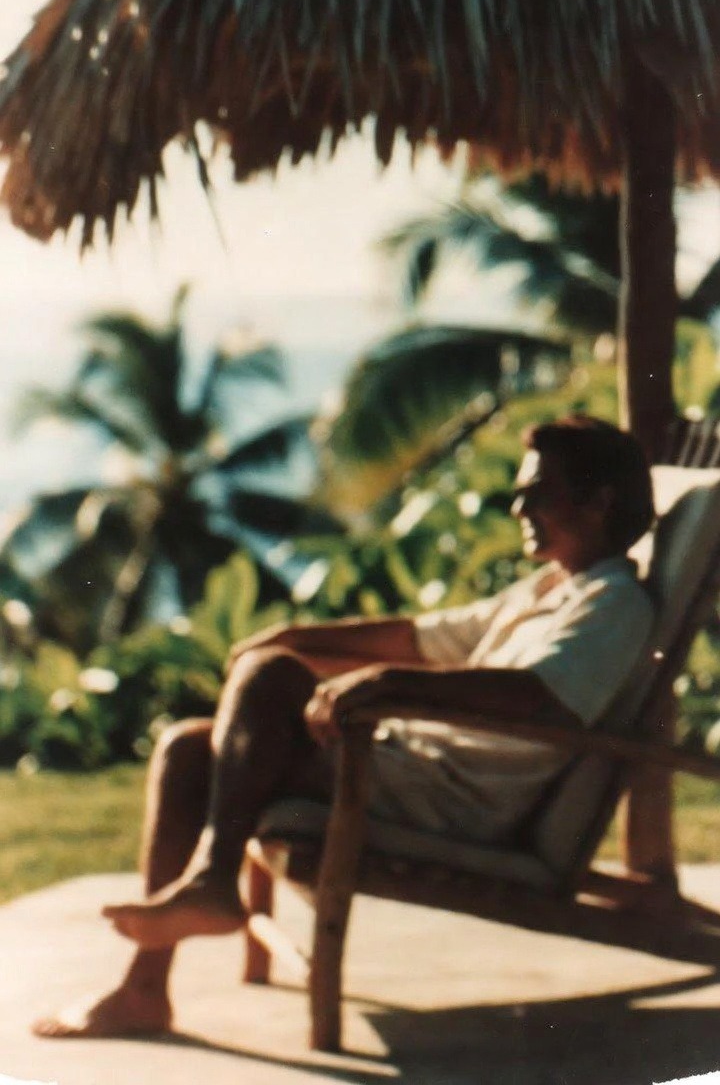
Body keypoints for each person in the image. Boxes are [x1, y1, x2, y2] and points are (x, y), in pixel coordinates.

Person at [34, 415, 655, 1039]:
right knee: (187, 748)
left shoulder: (613, 604)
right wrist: (295, 638)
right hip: (410, 767)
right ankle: (145, 987)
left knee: (274, 679)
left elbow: (538, 695)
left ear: (598, 501)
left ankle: (212, 880)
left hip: (456, 800)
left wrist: (383, 683)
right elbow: (420, 637)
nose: (517, 505)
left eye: (536, 491)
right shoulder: (551, 588)